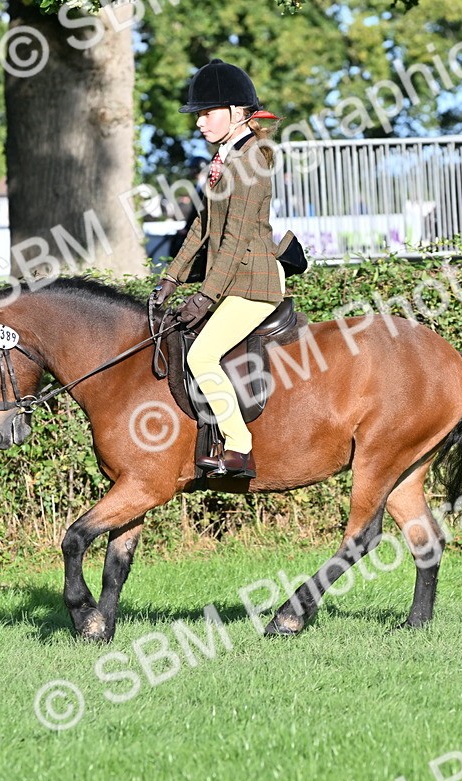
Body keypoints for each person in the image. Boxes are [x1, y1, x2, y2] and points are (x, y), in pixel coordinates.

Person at [150, 59, 285, 479]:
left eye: (207, 113)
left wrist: (205, 295)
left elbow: (235, 240)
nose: (200, 123)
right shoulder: (225, 157)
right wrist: (171, 277)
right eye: (199, 115)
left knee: (204, 356)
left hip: (254, 282)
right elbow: (203, 227)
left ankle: (240, 447)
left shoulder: (253, 160)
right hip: (232, 279)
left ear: (236, 112)